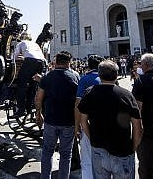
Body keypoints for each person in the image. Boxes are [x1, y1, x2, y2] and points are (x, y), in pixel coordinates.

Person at [78, 60, 143, 178]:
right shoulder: (127, 95)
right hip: (122, 149)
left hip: (99, 148)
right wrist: (133, 147)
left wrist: (92, 139)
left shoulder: (90, 92)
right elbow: (138, 126)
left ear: (99, 74)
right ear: (117, 74)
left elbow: (83, 121)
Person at [35, 51, 79, 179]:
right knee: (66, 155)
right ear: (68, 63)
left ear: (56, 62)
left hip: (50, 121)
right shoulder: (75, 76)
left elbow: (39, 99)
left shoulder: (47, 77)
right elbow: (79, 101)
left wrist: (38, 114)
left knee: (47, 152)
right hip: (68, 122)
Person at [74, 55, 104, 178]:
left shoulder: (84, 79)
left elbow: (78, 104)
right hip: (106, 124)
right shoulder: (108, 78)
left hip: (88, 124)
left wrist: (76, 125)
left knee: (87, 159)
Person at [13, 31, 46, 117]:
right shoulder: (35, 44)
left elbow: (15, 55)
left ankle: (21, 109)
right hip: (41, 62)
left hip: (30, 61)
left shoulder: (21, 43)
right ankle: (29, 108)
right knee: (33, 85)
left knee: (21, 85)